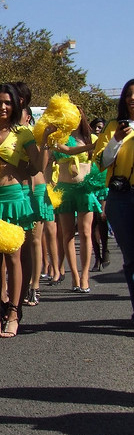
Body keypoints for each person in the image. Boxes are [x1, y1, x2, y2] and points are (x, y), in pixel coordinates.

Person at [0, 84, 48, 337]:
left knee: (13, 257)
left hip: (13, 198)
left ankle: (13, 312)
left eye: (8, 103)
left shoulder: (23, 133)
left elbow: (37, 165)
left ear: (15, 106)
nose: (3, 107)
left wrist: (46, 140)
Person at [93, 81, 134, 320]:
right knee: (131, 258)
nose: (132, 98)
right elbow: (101, 163)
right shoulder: (113, 126)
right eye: (128, 95)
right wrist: (116, 139)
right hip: (122, 197)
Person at [52, 109, 98, 293]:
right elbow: (67, 151)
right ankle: (75, 276)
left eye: (76, 115)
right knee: (67, 233)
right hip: (65, 189)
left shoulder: (91, 138)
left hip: (85, 189)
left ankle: (85, 275)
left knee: (86, 232)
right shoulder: (59, 138)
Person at [88, 117, 110, 272]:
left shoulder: (108, 141)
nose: (97, 129)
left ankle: (105, 249)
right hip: (89, 183)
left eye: (100, 127)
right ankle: (97, 258)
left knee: (102, 217)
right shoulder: (88, 141)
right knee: (92, 222)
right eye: (95, 126)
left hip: (104, 182)